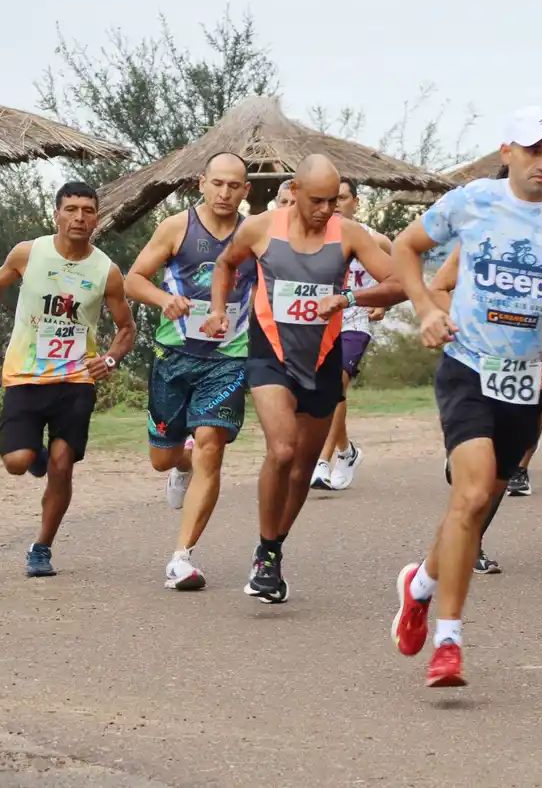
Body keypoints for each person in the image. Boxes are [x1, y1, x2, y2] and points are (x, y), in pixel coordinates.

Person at [388, 107, 542, 686]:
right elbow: (405, 248)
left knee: (479, 502)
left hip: (526, 378)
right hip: (467, 365)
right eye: (534, 150)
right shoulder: (472, 201)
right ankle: (449, 642)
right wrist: (425, 308)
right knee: (469, 493)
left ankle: (420, 586)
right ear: (508, 151)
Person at [207, 155, 403, 605]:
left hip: (322, 359)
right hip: (270, 354)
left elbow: (399, 281)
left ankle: (272, 550)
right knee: (282, 450)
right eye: (317, 200)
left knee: (301, 469)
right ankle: (264, 553)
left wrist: (348, 297)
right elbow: (225, 264)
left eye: (333, 200)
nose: (325, 209)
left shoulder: (349, 233)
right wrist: (219, 309)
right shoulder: (260, 228)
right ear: (294, 191)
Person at [0, 182, 136, 577]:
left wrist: (109, 359)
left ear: (96, 219)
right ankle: (35, 456)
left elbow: (127, 328)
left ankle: (42, 547)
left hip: (76, 379)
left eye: (88, 210)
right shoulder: (28, 253)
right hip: (25, 375)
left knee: (62, 464)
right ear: (56, 215)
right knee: (17, 462)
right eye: (71, 209)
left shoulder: (106, 271)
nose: (79, 217)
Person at [124, 153, 253, 590]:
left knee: (211, 446)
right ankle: (182, 464)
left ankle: (182, 558)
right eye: (217, 183)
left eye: (233, 185)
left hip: (229, 358)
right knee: (162, 459)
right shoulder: (177, 227)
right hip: (173, 356)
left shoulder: (254, 235)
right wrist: (165, 300)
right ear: (201, 183)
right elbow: (134, 279)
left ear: (245, 190)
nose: (224, 193)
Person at [310, 178, 393, 491]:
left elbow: (396, 273)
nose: (335, 205)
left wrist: (383, 303)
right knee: (329, 392)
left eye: (342, 198)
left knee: (337, 381)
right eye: (330, 198)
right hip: (320, 323)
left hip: (354, 321)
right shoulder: (313, 236)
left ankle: (322, 461)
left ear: (355, 203)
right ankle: (347, 451)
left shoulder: (374, 238)